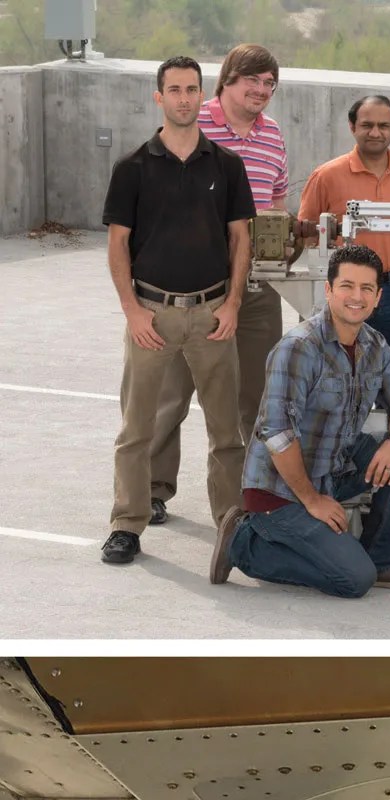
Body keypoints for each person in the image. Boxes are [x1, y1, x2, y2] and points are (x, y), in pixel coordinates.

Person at [210, 245, 390, 597]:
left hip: (333, 469)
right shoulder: (300, 347)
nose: (356, 297)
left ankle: (380, 562)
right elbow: (278, 433)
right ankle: (243, 543)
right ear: (329, 290)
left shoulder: (374, 344)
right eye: (347, 286)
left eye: (366, 289)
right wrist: (312, 500)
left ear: (378, 297)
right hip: (282, 491)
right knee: (352, 580)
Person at [100, 55, 255, 566]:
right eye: (175, 89)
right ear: (159, 97)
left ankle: (232, 527)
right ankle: (127, 523)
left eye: (192, 89)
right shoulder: (133, 168)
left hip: (212, 315)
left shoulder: (227, 166)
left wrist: (232, 304)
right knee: (137, 428)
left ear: (201, 95)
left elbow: (241, 239)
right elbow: (118, 245)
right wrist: (132, 312)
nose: (184, 98)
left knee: (225, 433)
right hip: (152, 315)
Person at [148, 44, 289, 527]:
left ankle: (249, 493)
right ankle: (153, 488)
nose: (261, 91)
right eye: (253, 80)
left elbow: (274, 203)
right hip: (196, 283)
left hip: (254, 287)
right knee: (174, 392)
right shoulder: (192, 124)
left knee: (256, 392)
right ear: (227, 81)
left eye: (270, 83)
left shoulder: (273, 135)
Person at [299, 94, 390, 376]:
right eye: (367, 125)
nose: (376, 132)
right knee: (337, 375)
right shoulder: (327, 175)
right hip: (345, 290)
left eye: (384, 125)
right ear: (352, 126)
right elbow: (307, 232)